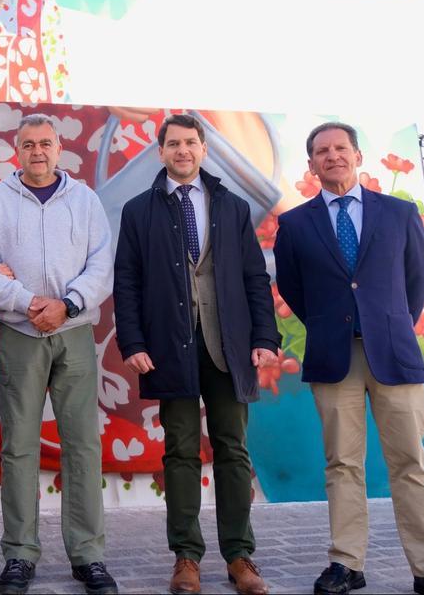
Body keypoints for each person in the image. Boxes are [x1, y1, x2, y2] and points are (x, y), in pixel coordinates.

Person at [273, 122, 424, 595]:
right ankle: (347, 564)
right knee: (343, 464)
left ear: (358, 156)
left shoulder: (400, 213)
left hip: (394, 354)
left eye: (341, 148)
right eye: (322, 151)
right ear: (312, 164)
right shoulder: (295, 225)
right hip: (334, 358)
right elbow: (293, 288)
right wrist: (332, 322)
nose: (332, 156)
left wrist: (389, 321)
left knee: (410, 463)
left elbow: (418, 278)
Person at [112, 114, 277, 595]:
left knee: (233, 449)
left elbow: (254, 277)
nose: (182, 151)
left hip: (229, 346)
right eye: (173, 144)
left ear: (204, 149)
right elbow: (127, 282)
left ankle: (240, 556)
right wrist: (134, 343)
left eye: (190, 142)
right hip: (169, 347)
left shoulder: (231, 206)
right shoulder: (139, 210)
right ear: (159, 151)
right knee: (180, 452)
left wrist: (264, 337)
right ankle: (186, 556)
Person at [0, 113, 117, 595]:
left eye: (45, 143)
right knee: (19, 446)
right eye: (28, 143)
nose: (37, 151)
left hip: (73, 333)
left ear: (59, 149)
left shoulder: (86, 200)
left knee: (82, 446)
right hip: (19, 333)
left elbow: (101, 264)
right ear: (17, 149)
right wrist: (27, 303)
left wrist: (68, 303)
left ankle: (88, 555)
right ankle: (19, 554)